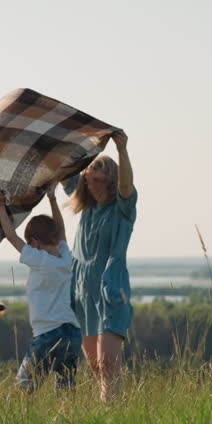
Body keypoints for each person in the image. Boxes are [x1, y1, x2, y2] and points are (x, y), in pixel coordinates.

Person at [62, 131, 134, 402]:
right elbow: (61, 168)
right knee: (95, 366)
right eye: (89, 181)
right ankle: (112, 408)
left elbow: (126, 186)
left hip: (109, 291)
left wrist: (122, 150)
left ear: (110, 181)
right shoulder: (87, 206)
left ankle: (111, 414)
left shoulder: (122, 209)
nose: (93, 186)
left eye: (99, 181)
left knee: (108, 365)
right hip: (81, 293)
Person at [0, 186, 81, 393]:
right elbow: (61, 230)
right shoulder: (65, 257)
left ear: (34, 242)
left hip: (47, 333)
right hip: (74, 332)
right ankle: (68, 421)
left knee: (24, 388)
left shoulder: (39, 258)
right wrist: (52, 199)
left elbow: (11, 236)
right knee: (66, 388)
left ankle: (22, 422)